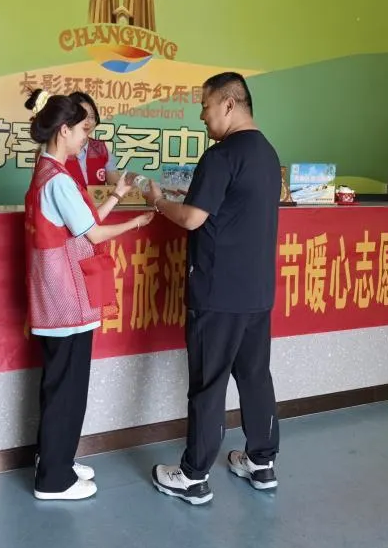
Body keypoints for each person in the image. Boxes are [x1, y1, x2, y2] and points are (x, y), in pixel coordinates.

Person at [144, 72, 282, 505]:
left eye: (205, 106)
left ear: (228, 103)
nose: (202, 116)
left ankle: (192, 476)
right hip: (257, 291)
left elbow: (192, 219)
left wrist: (158, 201)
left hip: (219, 291)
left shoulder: (221, 155)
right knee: (255, 377)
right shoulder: (267, 153)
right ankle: (261, 462)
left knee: (208, 383)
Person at [23, 88, 154, 501]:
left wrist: (116, 195)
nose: (87, 139)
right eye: (83, 130)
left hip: (56, 296)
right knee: (67, 389)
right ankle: (54, 479)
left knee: (59, 384)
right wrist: (136, 223)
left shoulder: (48, 171)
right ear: (64, 130)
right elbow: (94, 234)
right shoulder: (59, 180)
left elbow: (84, 222)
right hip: (65, 298)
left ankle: (55, 459)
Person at [65, 90, 132, 190]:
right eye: (81, 117)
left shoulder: (101, 149)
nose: (87, 122)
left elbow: (115, 186)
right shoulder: (58, 148)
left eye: (91, 117)